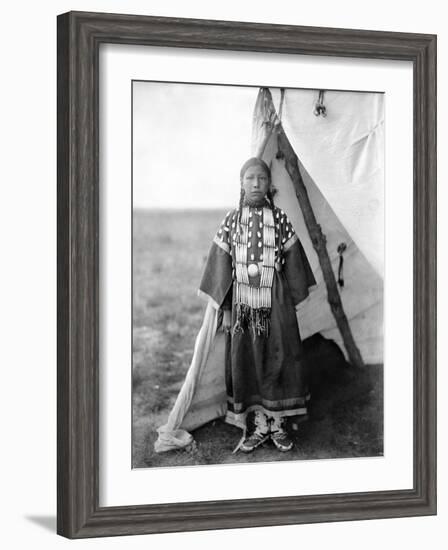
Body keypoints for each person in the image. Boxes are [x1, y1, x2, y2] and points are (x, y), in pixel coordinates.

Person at [198, 157, 316, 453]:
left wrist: (288, 304)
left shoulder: (280, 220)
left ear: (269, 185)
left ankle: (279, 424)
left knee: (280, 356)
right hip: (242, 305)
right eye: (250, 178)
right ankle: (258, 423)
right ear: (241, 183)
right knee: (246, 358)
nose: (255, 183)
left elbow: (295, 265)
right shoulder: (231, 221)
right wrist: (225, 309)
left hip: (275, 301)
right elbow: (221, 266)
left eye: (261, 179)